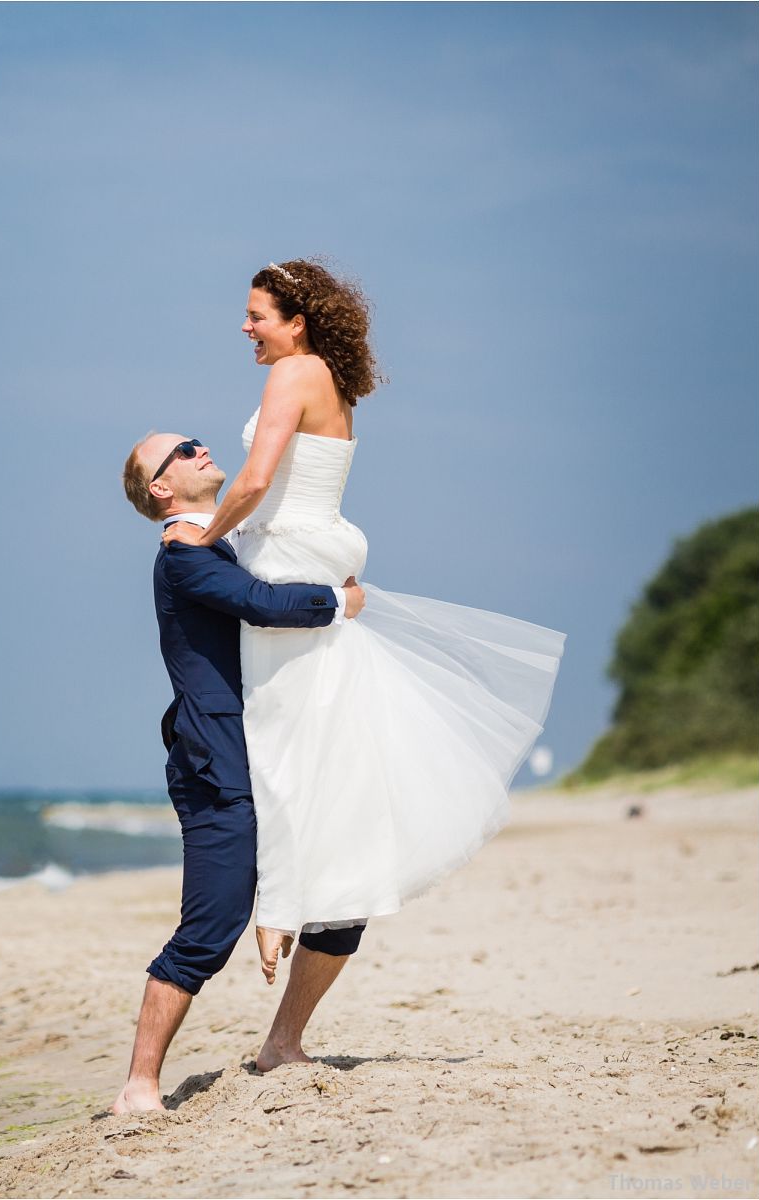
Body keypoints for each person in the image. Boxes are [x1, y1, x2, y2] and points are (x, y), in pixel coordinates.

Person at [162, 258, 565, 986]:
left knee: (282, 745)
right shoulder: (337, 382)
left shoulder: (291, 374)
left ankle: (279, 909)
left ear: (297, 321)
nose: (245, 327)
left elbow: (256, 479)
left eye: (257, 315)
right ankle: (294, 909)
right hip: (318, 550)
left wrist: (205, 535)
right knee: (316, 742)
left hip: (287, 560)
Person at [112, 431, 367, 1113]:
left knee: (343, 901)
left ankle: (283, 1043)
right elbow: (263, 603)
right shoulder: (182, 556)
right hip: (216, 768)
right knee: (211, 927)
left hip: (275, 755)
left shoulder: (222, 540)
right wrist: (339, 601)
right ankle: (139, 1085)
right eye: (185, 450)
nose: (202, 450)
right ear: (162, 489)